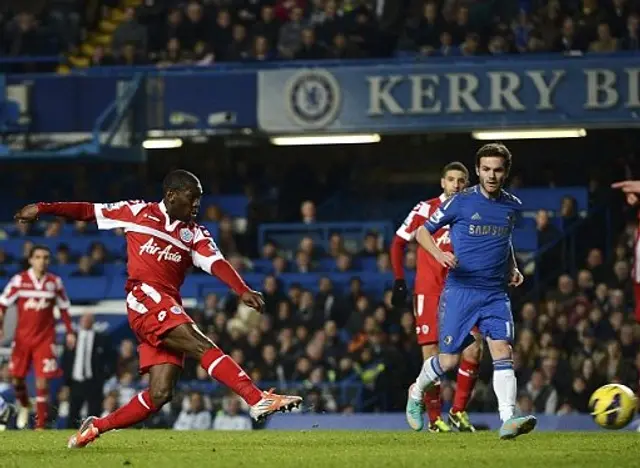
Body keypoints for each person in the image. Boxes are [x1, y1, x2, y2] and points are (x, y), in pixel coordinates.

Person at [14, 169, 302, 449]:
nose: (197, 204)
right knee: (200, 344)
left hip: (166, 306)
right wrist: (42, 207)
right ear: (171, 195)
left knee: (160, 394)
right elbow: (88, 210)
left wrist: (241, 289)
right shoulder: (137, 212)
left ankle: (96, 427)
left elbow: (216, 263)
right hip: (144, 298)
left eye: (199, 198)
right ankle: (255, 398)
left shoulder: (195, 234)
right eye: (192, 198)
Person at [409, 143, 536, 439]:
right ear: (478, 170)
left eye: (498, 170)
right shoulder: (461, 202)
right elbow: (422, 231)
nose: (492, 175)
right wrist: (439, 256)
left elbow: (505, 241)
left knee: (503, 350)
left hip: (494, 293)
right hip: (461, 292)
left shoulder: (511, 205)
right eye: (486, 169)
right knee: (450, 360)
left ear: (506, 172)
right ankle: (416, 391)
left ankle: (508, 419)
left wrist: (513, 267)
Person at [390, 161, 482, 432]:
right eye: (451, 179)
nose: (456, 184)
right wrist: (398, 279)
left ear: (467, 184)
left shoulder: (474, 213)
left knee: (474, 350)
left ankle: (458, 411)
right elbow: (398, 243)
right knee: (433, 357)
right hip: (429, 292)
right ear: (443, 182)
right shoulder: (425, 209)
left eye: (461, 180)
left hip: (462, 292)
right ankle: (434, 419)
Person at [0, 245, 76, 430]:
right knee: (17, 378)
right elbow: (3, 304)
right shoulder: (20, 280)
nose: (42, 261)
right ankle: (24, 404)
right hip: (23, 338)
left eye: (46, 257)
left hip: (45, 338)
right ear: (31, 260)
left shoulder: (54, 282)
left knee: (43, 381)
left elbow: (64, 308)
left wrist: (69, 331)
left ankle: (39, 426)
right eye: (38, 257)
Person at [62, 313, 113, 428]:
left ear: (93, 321)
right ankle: (71, 435)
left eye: (89, 319)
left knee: (94, 412)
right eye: (84, 319)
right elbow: (65, 360)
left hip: (94, 381)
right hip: (75, 381)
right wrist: (65, 382)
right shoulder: (72, 337)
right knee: (73, 411)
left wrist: (105, 376)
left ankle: (93, 433)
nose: (86, 321)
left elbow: (110, 358)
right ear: (80, 321)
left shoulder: (101, 338)